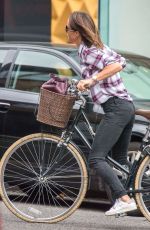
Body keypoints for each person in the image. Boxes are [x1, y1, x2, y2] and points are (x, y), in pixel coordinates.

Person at [65, 11, 137, 216]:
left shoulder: (89, 51)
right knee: (119, 162)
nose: (66, 33)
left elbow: (117, 64)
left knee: (96, 158)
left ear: (77, 32)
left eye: (67, 29)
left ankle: (124, 199)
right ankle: (125, 199)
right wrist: (83, 83)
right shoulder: (92, 48)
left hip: (117, 108)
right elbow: (120, 59)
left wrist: (92, 80)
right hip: (125, 107)